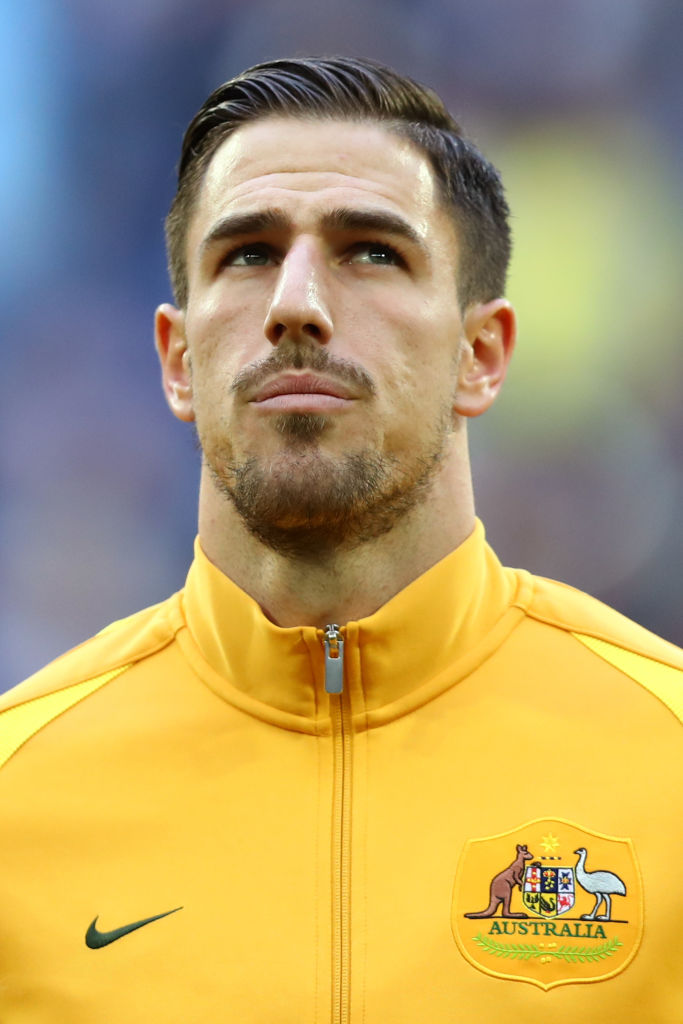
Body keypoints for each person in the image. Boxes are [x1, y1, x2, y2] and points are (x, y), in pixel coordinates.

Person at [1, 56, 680, 1023]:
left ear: (480, 354)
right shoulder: (19, 797)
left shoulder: (665, 762)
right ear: (177, 360)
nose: (296, 303)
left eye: (370, 252)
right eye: (247, 254)